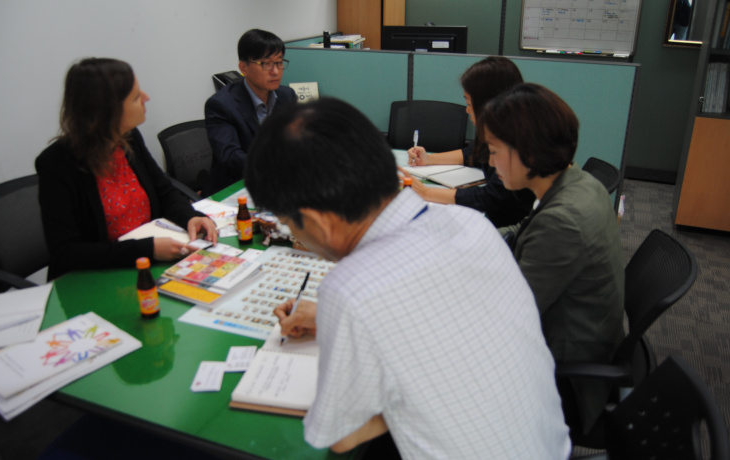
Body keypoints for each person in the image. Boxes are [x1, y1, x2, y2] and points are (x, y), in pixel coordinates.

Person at [245, 98, 571, 458]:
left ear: (317, 221)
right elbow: (441, 320)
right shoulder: (471, 225)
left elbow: (342, 436)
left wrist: (405, 396)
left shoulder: (351, 289)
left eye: (288, 224)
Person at [479, 83, 625, 440]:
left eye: (494, 151)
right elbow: (523, 230)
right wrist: (468, 239)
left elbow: (505, 316)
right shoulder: (578, 182)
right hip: (568, 339)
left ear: (528, 153)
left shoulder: (563, 222)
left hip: (562, 382)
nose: (490, 163)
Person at [36, 58, 217, 280]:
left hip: (147, 266)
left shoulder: (128, 138)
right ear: (108, 111)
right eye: (135, 96)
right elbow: (66, 253)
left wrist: (190, 217)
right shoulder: (57, 164)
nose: (146, 97)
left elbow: (164, 191)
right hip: (99, 277)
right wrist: (148, 249)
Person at [402, 56, 534, 227]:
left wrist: (426, 193)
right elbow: (473, 153)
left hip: (506, 227)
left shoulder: (516, 142)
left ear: (488, 104)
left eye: (470, 103)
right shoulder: (498, 128)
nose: (467, 110)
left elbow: (491, 198)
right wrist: (429, 159)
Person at [203, 29, 298, 196]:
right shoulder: (221, 105)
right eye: (266, 64)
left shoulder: (287, 96)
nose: (275, 71)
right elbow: (230, 157)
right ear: (243, 68)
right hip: (236, 189)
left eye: (279, 62)